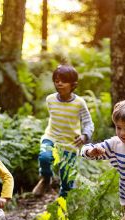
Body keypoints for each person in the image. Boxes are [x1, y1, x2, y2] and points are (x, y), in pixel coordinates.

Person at [32, 64, 94, 198]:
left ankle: (63, 207)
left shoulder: (79, 103)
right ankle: (45, 179)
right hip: (51, 137)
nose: (59, 83)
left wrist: (85, 136)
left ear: (73, 84)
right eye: (56, 80)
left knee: (67, 181)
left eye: (63, 81)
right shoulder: (50, 99)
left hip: (70, 144)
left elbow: (88, 122)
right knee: (44, 157)